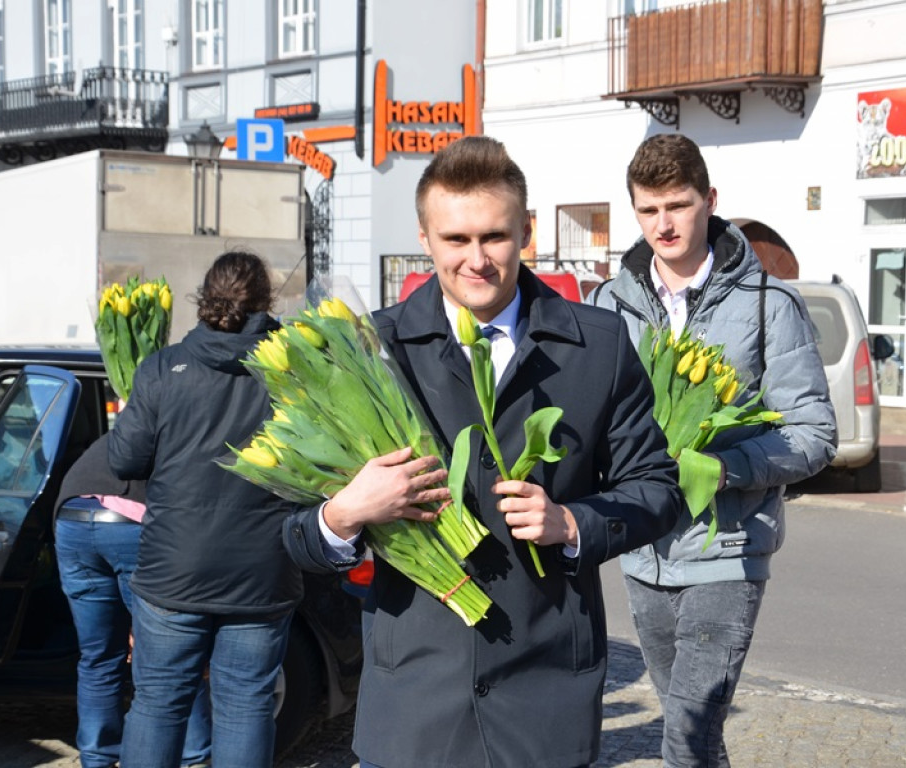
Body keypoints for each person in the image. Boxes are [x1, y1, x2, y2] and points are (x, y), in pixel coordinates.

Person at [281, 135, 684, 768]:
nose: (478, 260)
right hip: (415, 701)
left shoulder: (598, 345)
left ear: (525, 231)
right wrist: (346, 512)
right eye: (456, 240)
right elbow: (295, 537)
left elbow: (659, 489)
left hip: (544, 696)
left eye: (494, 237)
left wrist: (573, 522)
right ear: (425, 237)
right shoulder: (367, 352)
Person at [592, 133, 837, 767]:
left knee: (685, 737)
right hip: (642, 552)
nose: (664, 224)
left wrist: (726, 468)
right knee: (692, 731)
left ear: (710, 201)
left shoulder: (767, 305)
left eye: (678, 204)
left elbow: (813, 434)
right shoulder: (606, 306)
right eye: (648, 210)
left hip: (728, 551)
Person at [109, 251, 302, 768]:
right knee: (245, 707)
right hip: (262, 571)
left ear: (203, 300)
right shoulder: (293, 375)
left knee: (158, 705)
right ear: (265, 303)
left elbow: (124, 458)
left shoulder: (161, 368)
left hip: (175, 569)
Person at [54, 434, 212, 768]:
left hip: (72, 518)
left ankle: (96, 759)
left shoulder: (130, 427)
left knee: (99, 656)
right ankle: (193, 758)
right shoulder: (187, 435)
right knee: (171, 654)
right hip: (132, 523)